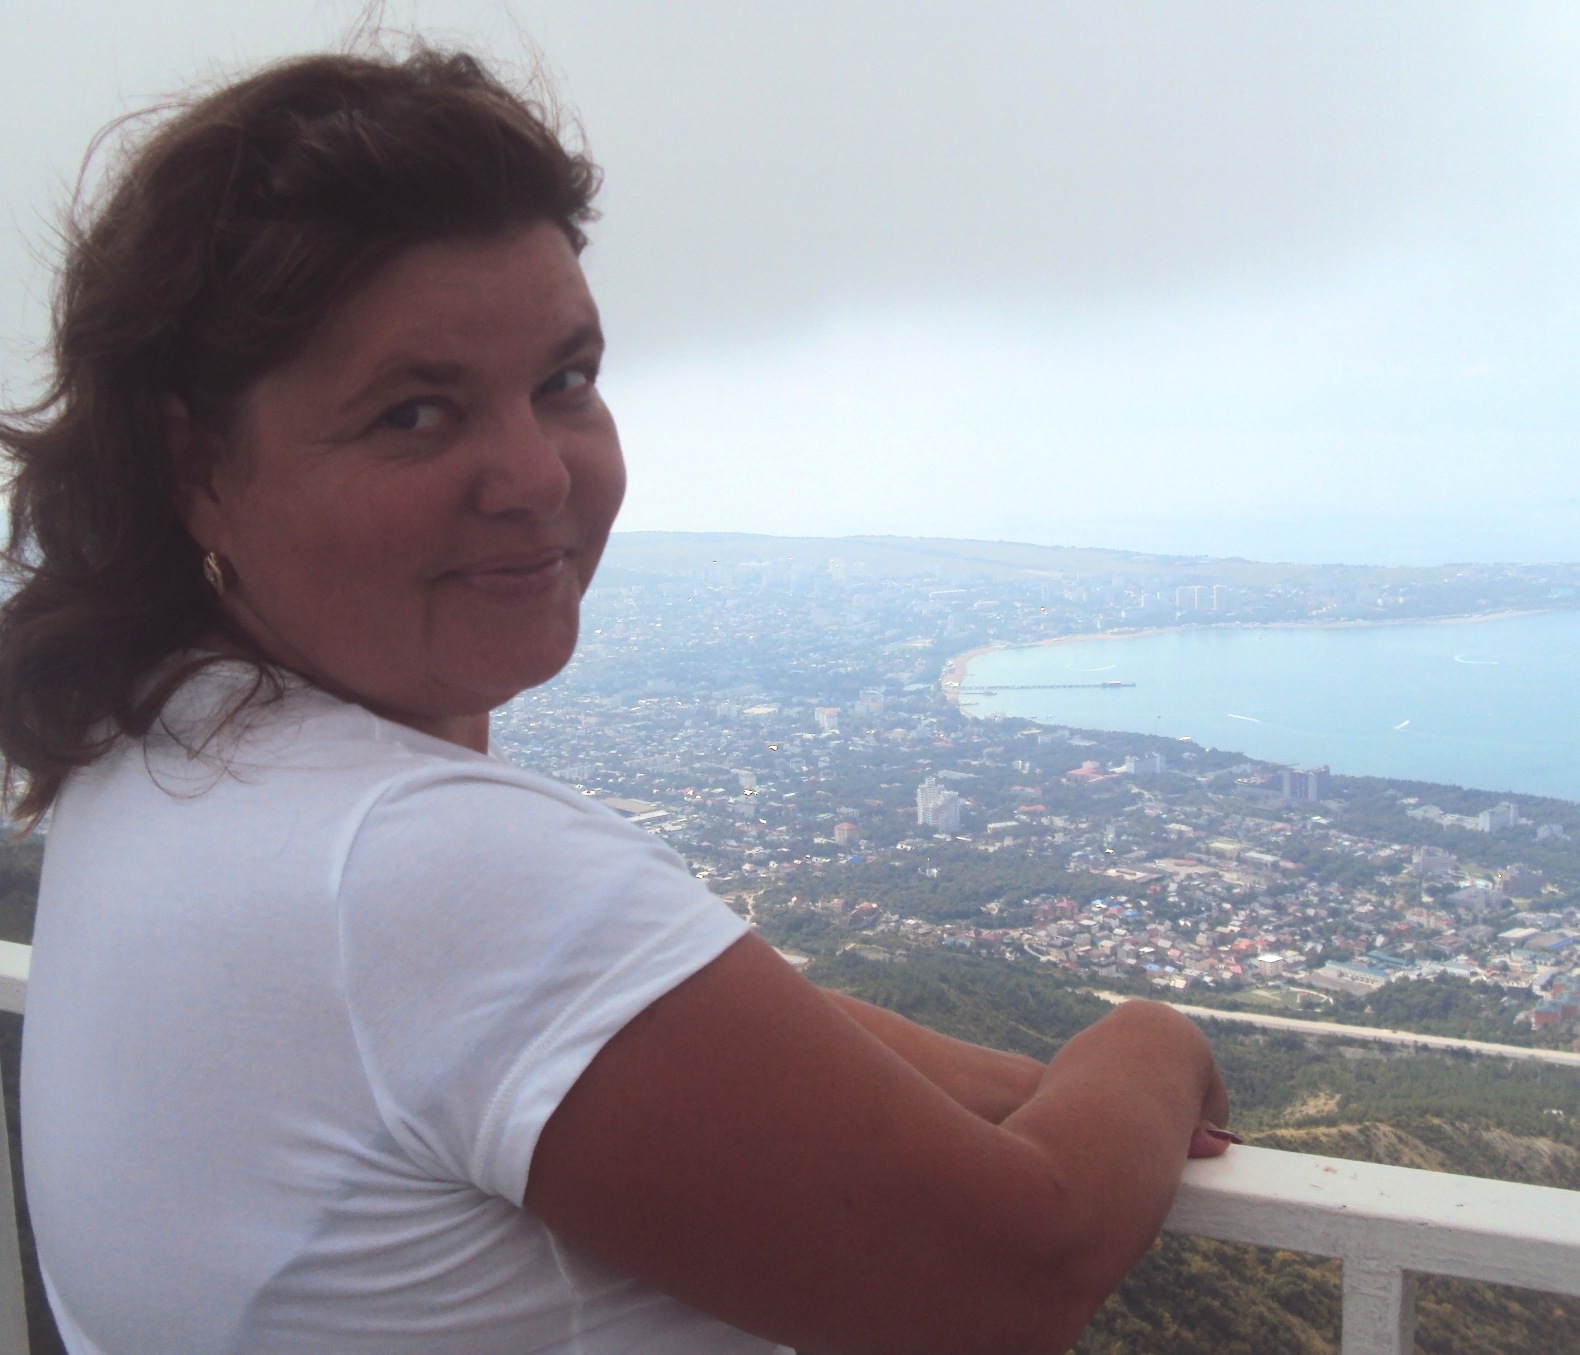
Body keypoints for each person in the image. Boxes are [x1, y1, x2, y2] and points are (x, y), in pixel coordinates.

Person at [0, 43, 1233, 1355]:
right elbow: (1017, 1271)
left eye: (565, 380)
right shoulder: (413, 867)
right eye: (415, 414)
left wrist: (995, 1087)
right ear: (199, 466)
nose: (538, 474)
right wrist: (1147, 1044)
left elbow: (587, 1016)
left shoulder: (155, 755)